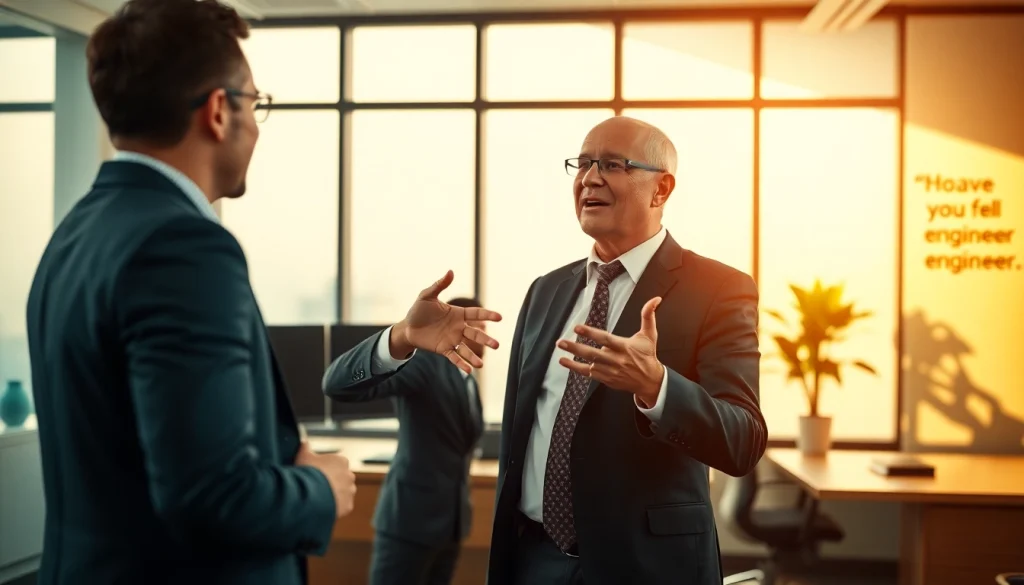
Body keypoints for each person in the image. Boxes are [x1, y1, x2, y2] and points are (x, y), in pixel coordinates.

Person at [23, 1, 500, 584]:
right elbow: (212, 495)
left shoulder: (73, 234)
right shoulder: (184, 248)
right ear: (218, 111)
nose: (256, 123)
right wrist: (319, 485)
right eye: (255, 103)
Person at [486, 116, 768, 585]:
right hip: (534, 560)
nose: (589, 178)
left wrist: (657, 386)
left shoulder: (719, 289)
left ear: (661, 189)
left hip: (647, 568)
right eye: (583, 164)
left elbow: (744, 441)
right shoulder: (545, 291)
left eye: (613, 165)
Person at [322, 297, 488, 585]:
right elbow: (339, 387)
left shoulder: (468, 378)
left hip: (451, 527)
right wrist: (399, 338)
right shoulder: (424, 365)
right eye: (478, 327)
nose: (484, 335)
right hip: (410, 523)